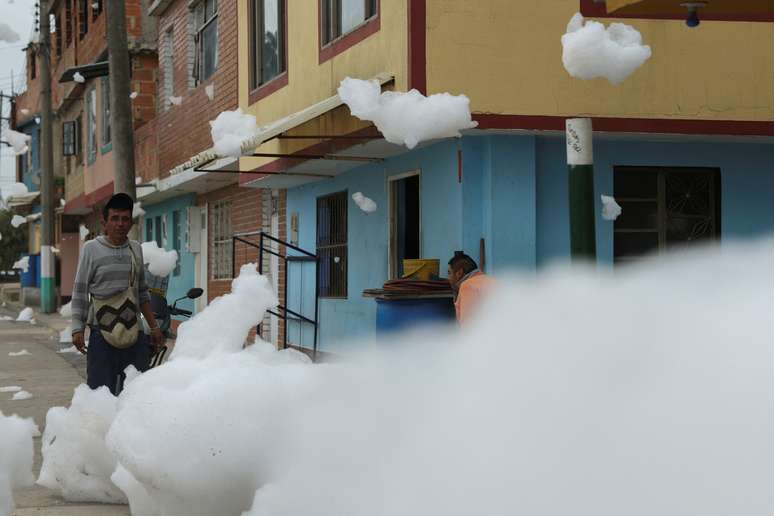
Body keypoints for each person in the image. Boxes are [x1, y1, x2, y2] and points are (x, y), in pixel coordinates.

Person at [71, 193, 164, 395]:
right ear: (104, 223)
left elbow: (141, 293)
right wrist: (77, 328)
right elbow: (80, 290)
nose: (120, 224)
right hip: (101, 333)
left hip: (134, 333)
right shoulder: (91, 249)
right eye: (115, 218)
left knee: (137, 392)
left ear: (131, 222)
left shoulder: (135, 249)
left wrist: (154, 326)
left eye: (125, 219)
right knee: (100, 394)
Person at [447, 251, 494, 326]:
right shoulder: (491, 281)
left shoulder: (468, 286)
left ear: (459, 273)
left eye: (449, 273)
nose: (448, 278)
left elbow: (468, 326)